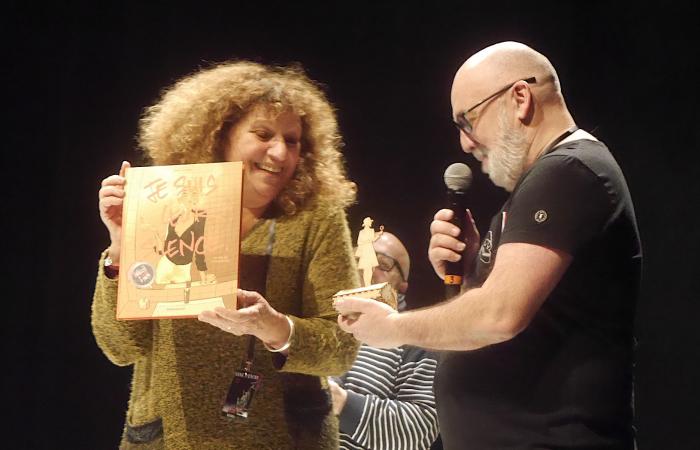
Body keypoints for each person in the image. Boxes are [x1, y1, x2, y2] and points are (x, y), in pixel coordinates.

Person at [335, 41, 641, 449]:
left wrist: (391, 329)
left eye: (468, 120)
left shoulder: (569, 171)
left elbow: (499, 316)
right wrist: (470, 269)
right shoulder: (550, 179)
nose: (465, 142)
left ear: (519, 98)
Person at [93, 61, 361, 449]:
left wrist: (275, 328)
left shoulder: (315, 218)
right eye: (263, 134)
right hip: (171, 436)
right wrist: (120, 248)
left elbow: (341, 347)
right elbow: (120, 347)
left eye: (292, 140)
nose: (280, 152)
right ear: (220, 134)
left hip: (281, 436)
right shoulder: (164, 204)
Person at [329, 231, 439, 450]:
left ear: (403, 285)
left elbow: (420, 430)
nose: (366, 268)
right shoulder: (315, 319)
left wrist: (340, 401)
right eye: (358, 259)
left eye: (382, 264)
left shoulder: (417, 341)